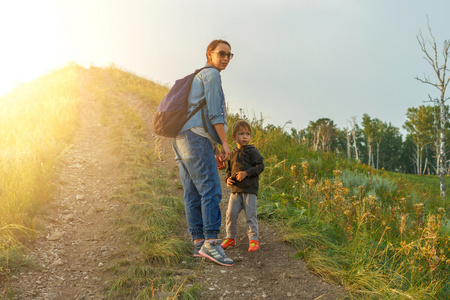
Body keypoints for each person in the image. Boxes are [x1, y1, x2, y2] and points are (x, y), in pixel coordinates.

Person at [172, 39, 235, 267]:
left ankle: (199, 243)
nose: (226, 58)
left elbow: (199, 113)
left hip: (181, 138)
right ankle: (211, 242)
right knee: (210, 188)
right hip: (195, 138)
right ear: (210, 54)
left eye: (230, 55)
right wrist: (225, 143)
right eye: (222, 54)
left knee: (192, 191)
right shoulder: (212, 75)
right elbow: (215, 114)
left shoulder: (199, 76)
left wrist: (214, 147)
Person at [222, 120, 265, 252]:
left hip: (249, 191)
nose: (245, 136)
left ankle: (253, 240)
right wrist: (227, 179)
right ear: (234, 137)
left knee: (250, 215)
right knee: (231, 214)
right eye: (241, 134)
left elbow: (260, 166)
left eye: (248, 134)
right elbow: (229, 170)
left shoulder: (252, 151)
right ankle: (230, 238)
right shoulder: (233, 153)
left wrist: (246, 173)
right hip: (235, 191)